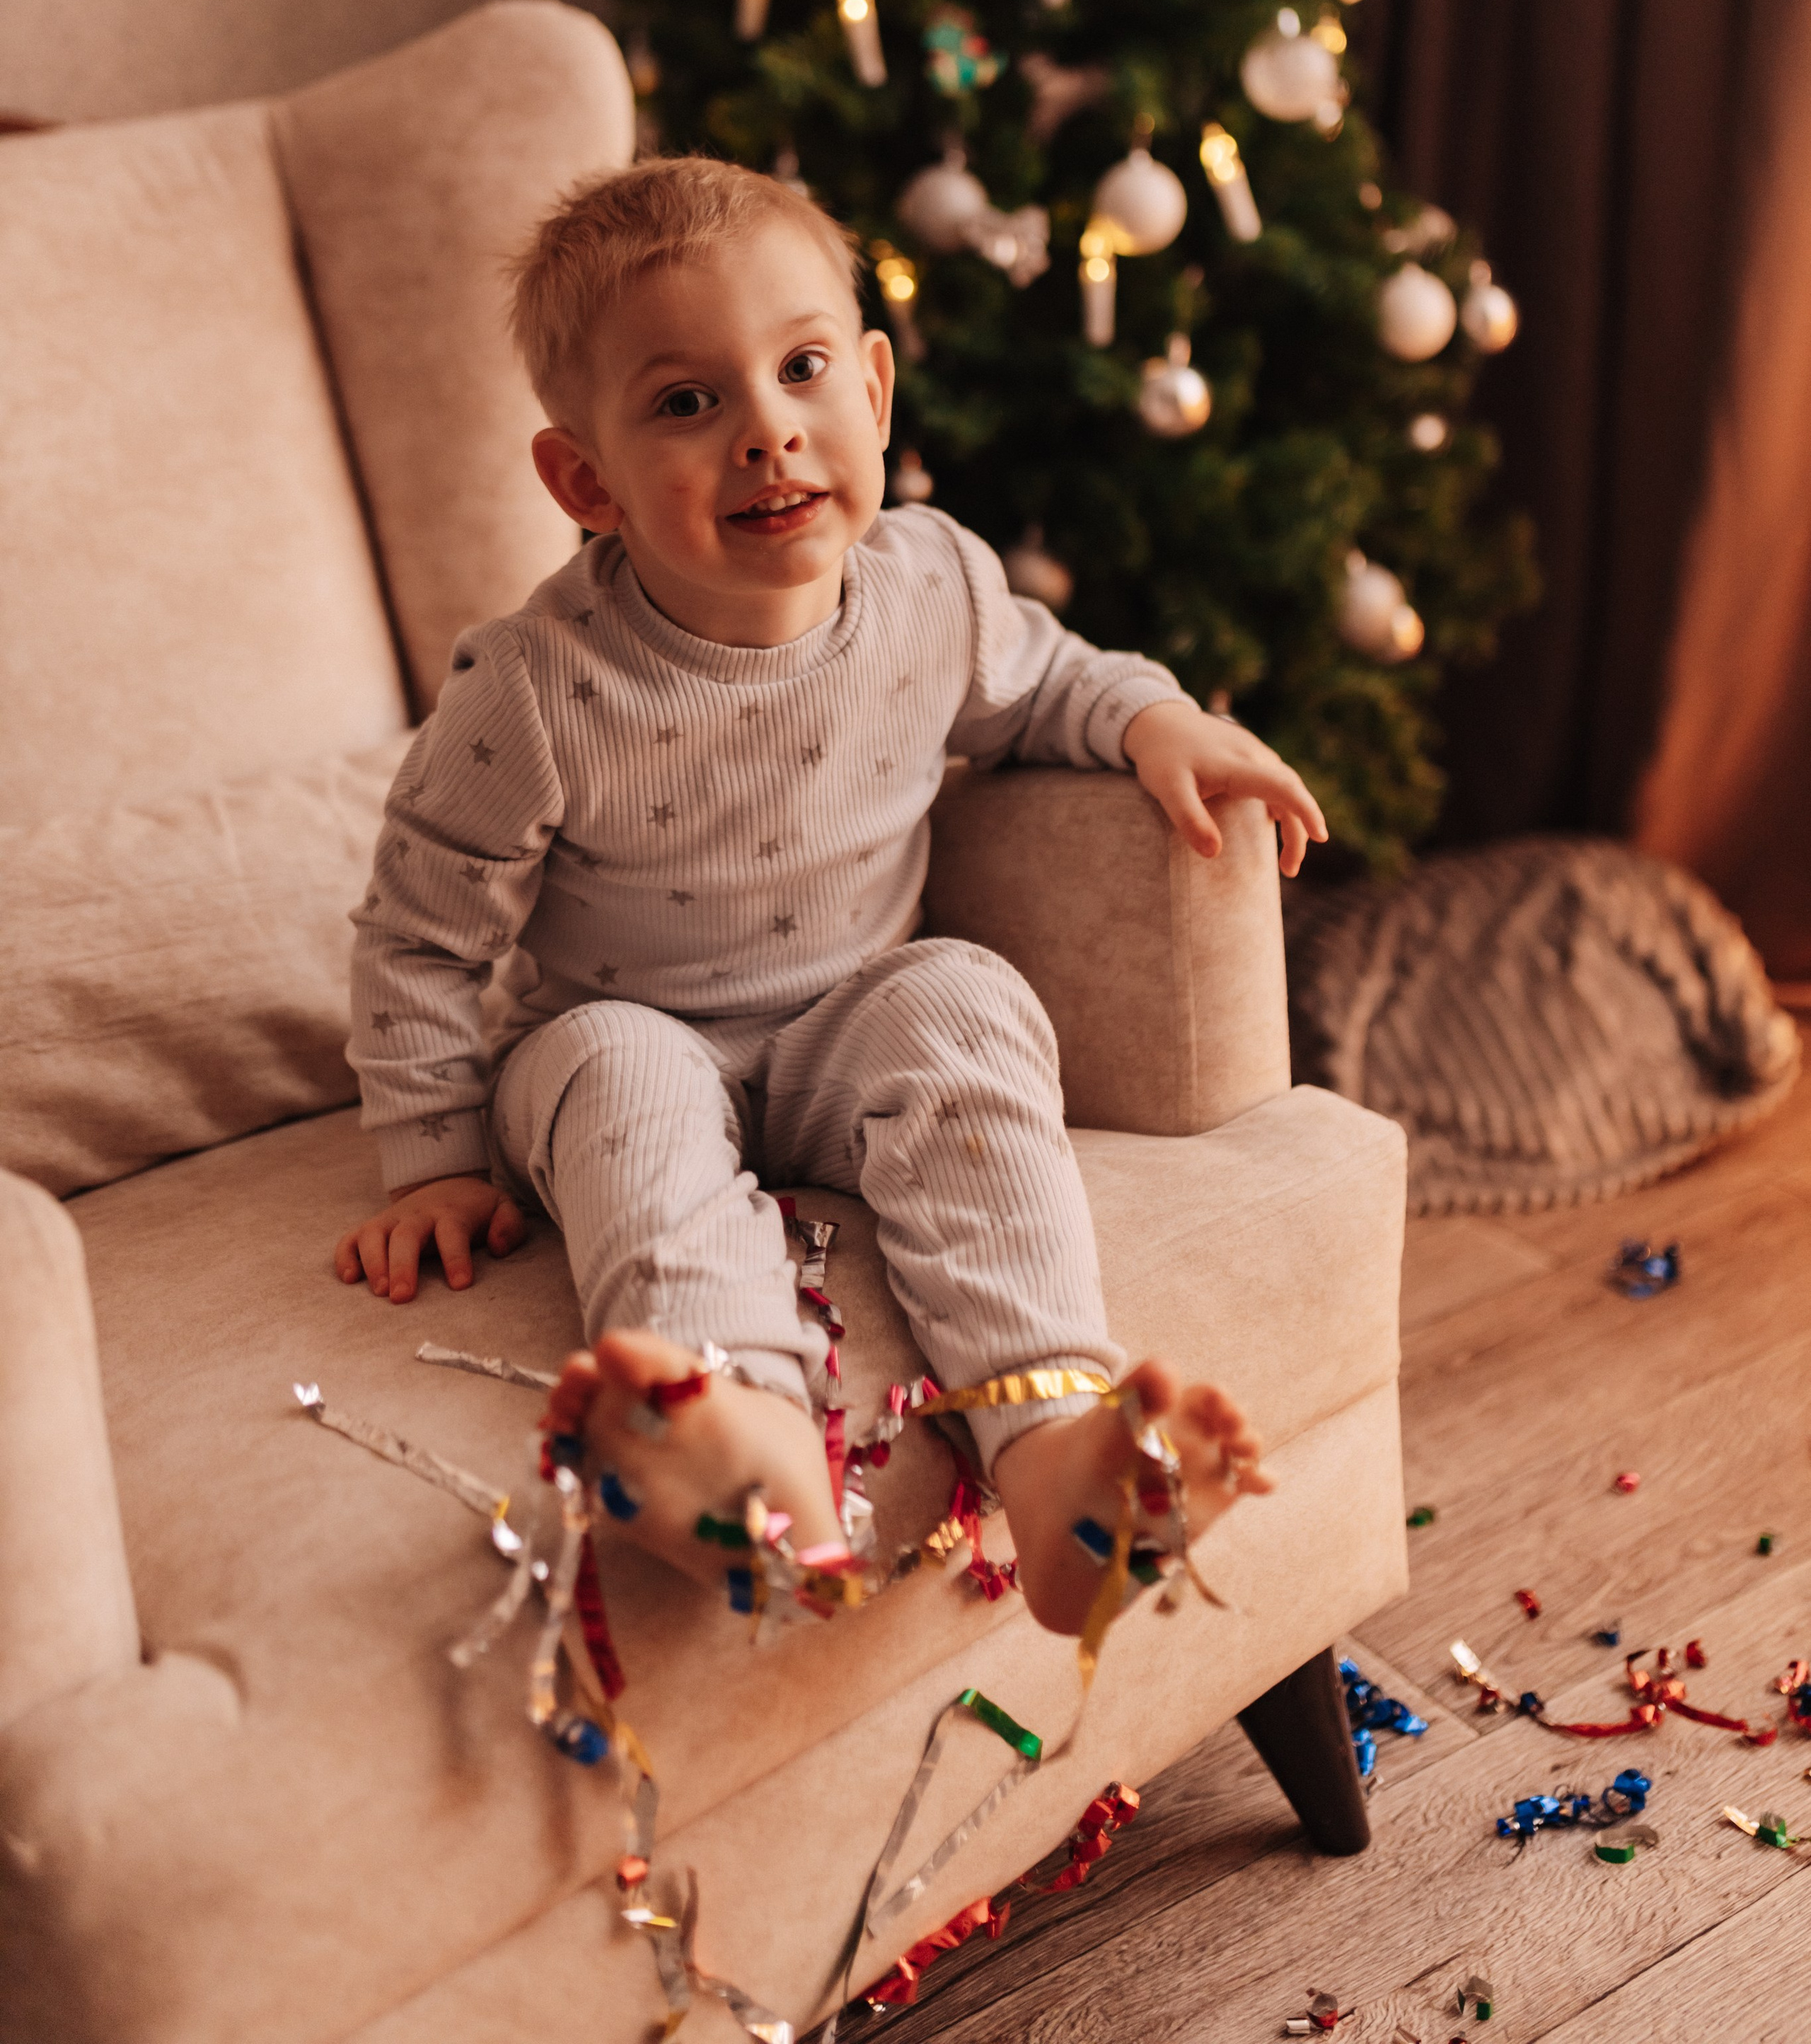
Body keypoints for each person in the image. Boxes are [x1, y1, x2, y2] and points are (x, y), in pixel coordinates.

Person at [335, 157, 1322, 1632]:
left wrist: (1152, 720)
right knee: (617, 1076)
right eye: (687, 403)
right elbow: (422, 928)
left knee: (965, 995)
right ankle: (740, 1441)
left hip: (841, 1021)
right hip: (620, 1030)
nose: (766, 433)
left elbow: (1048, 682)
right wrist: (430, 1155)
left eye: (800, 370)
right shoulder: (536, 686)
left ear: (870, 389)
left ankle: (1055, 1447)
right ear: (583, 481)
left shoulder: (931, 589)